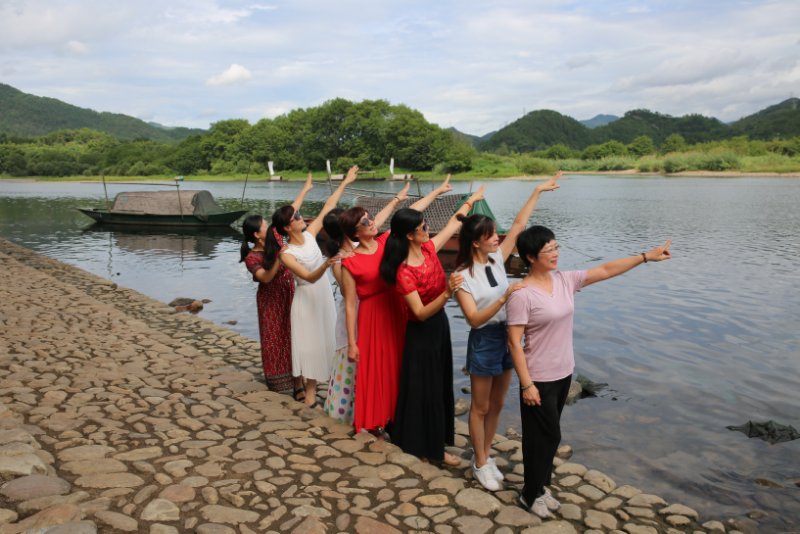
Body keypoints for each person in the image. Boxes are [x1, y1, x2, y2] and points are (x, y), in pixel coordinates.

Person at [507, 225, 672, 518]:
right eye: (548, 250)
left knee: (546, 436)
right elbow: (513, 343)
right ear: (531, 257)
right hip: (538, 376)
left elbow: (606, 270)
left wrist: (645, 257)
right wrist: (526, 384)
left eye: (556, 247)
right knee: (545, 436)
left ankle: (539, 488)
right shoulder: (522, 294)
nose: (555, 253)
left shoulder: (564, 280)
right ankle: (529, 494)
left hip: (563, 372)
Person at [453, 173, 561, 491]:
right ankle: (480, 462)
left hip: (507, 337)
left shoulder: (496, 260)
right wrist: (503, 298)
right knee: (480, 406)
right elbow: (473, 319)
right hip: (484, 339)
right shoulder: (462, 275)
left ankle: (485, 456)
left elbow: (518, 225)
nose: (496, 238)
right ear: (476, 242)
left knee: (498, 404)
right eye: (490, 235)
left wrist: (537, 191)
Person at [380, 184, 486, 465]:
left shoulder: (428, 249)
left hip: (440, 326)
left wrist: (471, 200)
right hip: (421, 332)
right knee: (424, 389)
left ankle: (433, 442)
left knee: (439, 385)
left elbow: (453, 223)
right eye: (423, 227)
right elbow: (420, 312)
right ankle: (426, 448)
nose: (428, 229)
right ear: (410, 235)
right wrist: (448, 293)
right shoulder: (404, 272)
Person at [340, 177, 454, 437]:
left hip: (399, 307)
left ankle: (402, 418)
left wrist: (437, 191)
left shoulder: (385, 242)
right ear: (355, 233)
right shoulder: (350, 262)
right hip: (372, 316)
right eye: (365, 222)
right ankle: (379, 418)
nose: (371, 222)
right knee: (378, 369)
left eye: (370, 218)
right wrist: (352, 342)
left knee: (402, 364)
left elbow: (411, 216)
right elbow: (349, 304)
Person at [265, 166, 358, 407]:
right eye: (295, 217)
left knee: (328, 338)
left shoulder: (310, 234)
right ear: (287, 228)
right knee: (309, 345)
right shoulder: (286, 253)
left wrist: (345, 182)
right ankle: (309, 393)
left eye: (298, 215)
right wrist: (326, 264)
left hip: (323, 295)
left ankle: (334, 386)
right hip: (306, 297)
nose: (300, 217)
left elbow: (329, 205)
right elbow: (308, 276)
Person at [239, 178, 314, 393]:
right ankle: (279, 383)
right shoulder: (252, 257)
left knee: (295, 336)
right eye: (264, 225)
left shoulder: (276, 238)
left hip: (290, 294)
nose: (268, 226)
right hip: (271, 302)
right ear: (256, 234)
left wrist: (305, 189)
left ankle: (298, 382)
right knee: (275, 340)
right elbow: (265, 278)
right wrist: (279, 259)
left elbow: (290, 211)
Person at [319, 207, 357, 424]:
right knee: (348, 365)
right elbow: (347, 292)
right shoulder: (338, 260)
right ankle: (342, 414)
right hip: (351, 316)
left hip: (370, 313)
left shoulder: (362, 246)